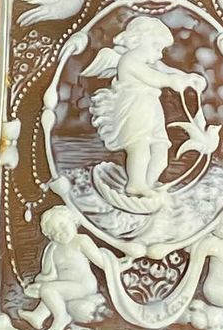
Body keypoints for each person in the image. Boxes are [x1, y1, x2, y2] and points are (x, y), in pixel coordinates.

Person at [82, 16, 206, 196]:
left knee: (161, 151)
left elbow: (165, 70)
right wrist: (172, 81)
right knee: (140, 148)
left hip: (151, 108)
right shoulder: (129, 60)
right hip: (135, 108)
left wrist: (188, 78)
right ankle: (135, 184)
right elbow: (155, 78)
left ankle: (148, 185)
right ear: (139, 40)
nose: (160, 54)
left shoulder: (150, 62)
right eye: (156, 47)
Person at [20, 206, 107, 330]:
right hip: (66, 286)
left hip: (83, 285)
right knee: (49, 290)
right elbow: (49, 274)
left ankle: (62, 317)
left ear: (73, 220)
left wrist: (119, 266)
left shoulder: (80, 240)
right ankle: (38, 316)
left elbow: (101, 262)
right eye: (54, 232)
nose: (60, 233)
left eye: (62, 225)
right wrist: (37, 284)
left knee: (49, 290)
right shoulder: (53, 248)